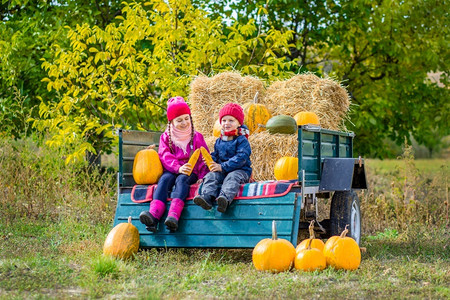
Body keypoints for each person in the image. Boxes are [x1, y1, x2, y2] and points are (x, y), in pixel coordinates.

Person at [139, 96, 209, 232]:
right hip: (172, 169)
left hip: (190, 171)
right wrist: (178, 167)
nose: (184, 123)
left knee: (182, 180)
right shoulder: (166, 137)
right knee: (164, 180)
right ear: (171, 122)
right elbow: (164, 155)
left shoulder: (197, 137)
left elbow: (203, 157)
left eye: (186, 118)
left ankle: (173, 215)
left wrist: (202, 175)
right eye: (179, 120)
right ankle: (154, 215)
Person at [193, 103, 252, 213]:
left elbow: (241, 157)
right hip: (222, 170)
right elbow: (217, 154)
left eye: (231, 120)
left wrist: (222, 166)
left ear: (239, 123)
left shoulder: (242, 140)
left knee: (232, 178)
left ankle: (224, 199)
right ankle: (207, 197)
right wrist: (211, 159)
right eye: (224, 120)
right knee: (211, 176)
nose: (227, 123)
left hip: (240, 170)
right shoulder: (219, 140)